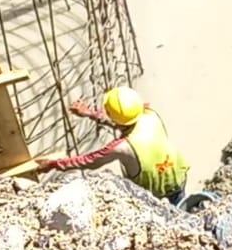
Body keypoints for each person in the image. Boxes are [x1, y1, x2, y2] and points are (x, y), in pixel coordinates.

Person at [38, 87, 190, 203]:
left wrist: (54, 164)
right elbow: (126, 123)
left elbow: (89, 161)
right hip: (177, 178)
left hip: (154, 194)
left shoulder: (122, 147)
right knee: (182, 209)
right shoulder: (150, 114)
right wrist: (90, 113)